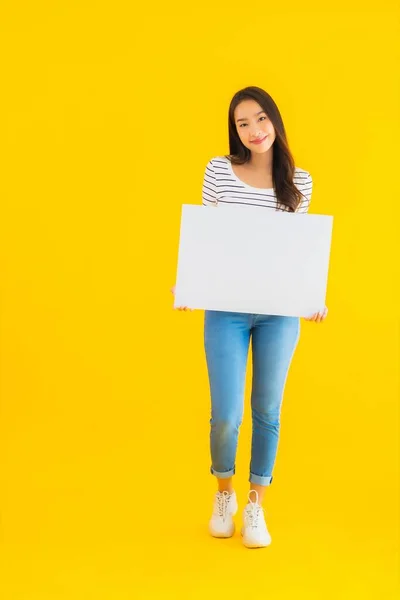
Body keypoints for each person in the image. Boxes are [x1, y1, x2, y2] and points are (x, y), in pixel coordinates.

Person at [171, 86, 328, 549]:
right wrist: (190, 283)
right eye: (243, 123)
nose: (254, 131)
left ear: (275, 121)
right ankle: (225, 495)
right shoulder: (219, 170)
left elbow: (298, 254)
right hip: (226, 309)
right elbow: (208, 235)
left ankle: (257, 504)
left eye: (261, 119)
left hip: (280, 312)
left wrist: (312, 297)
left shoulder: (301, 182)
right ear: (234, 130)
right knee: (226, 414)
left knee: (268, 410)